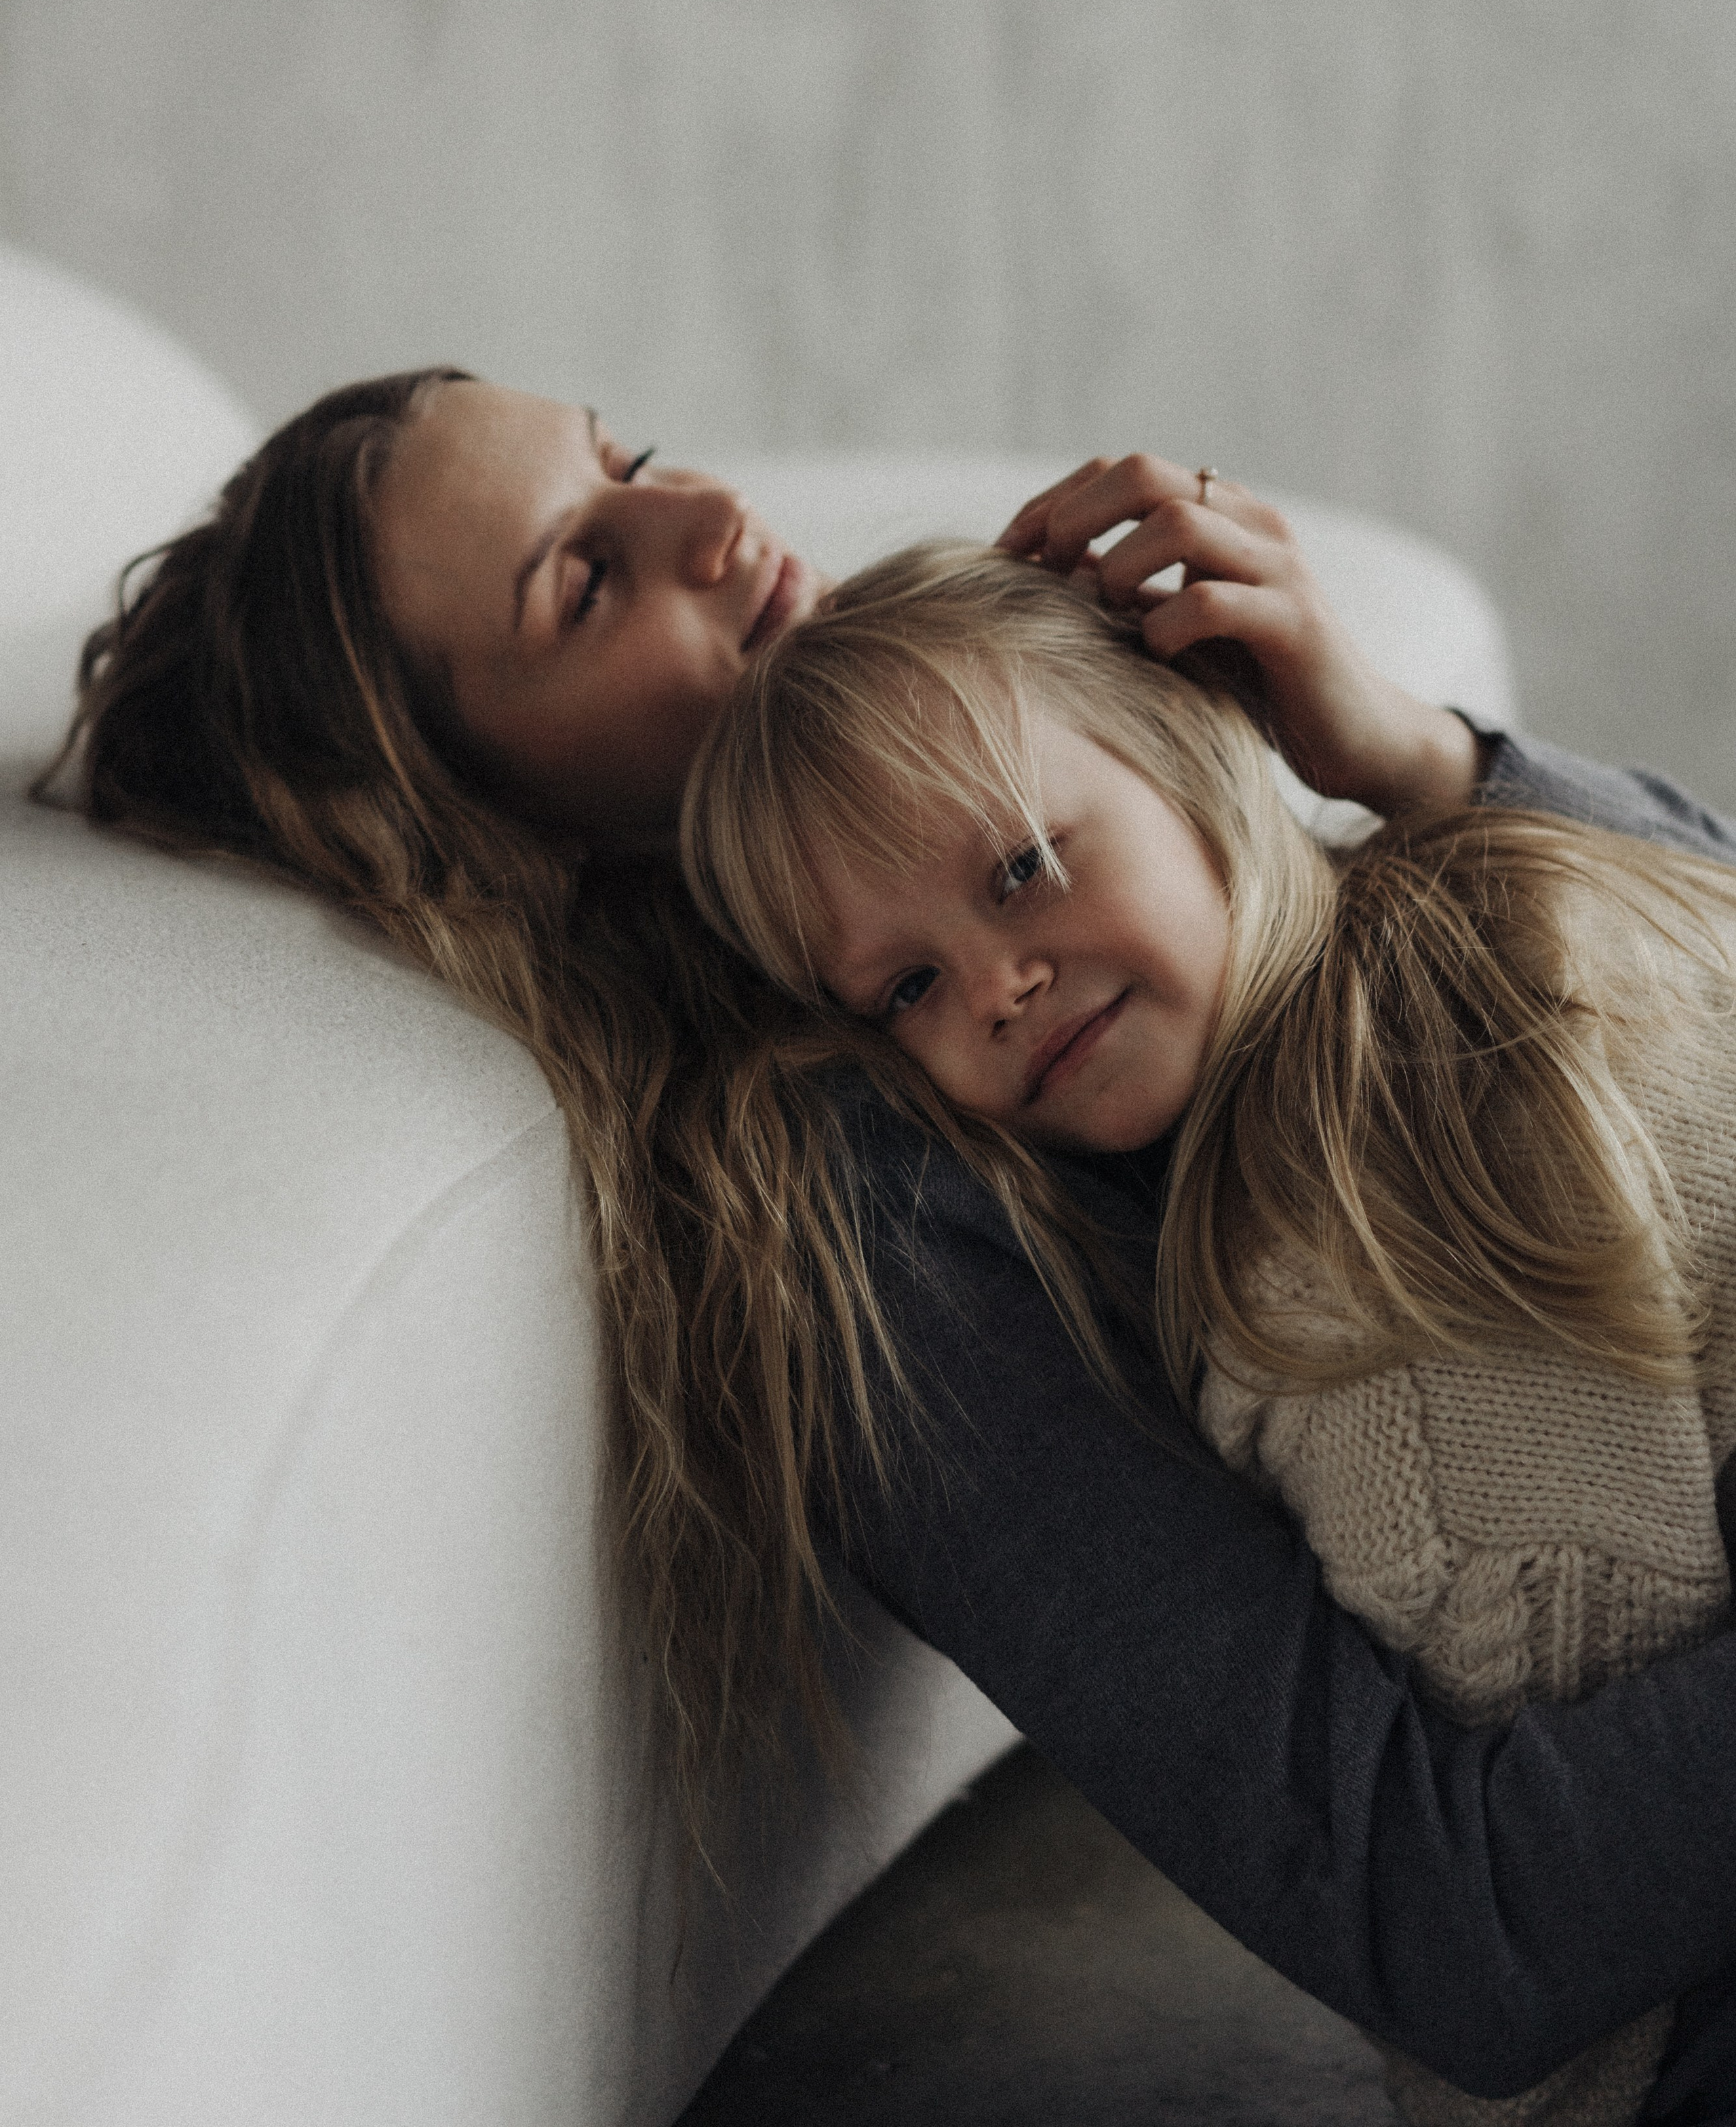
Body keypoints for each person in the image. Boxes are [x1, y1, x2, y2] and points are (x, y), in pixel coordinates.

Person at [42, 368, 1736, 2124]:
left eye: (626, 460)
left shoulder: (1076, 805)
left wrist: (1415, 759)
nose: (710, 518)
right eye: (585, 578)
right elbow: (1446, 1913)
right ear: (497, 833)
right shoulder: (878, 1220)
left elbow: (1700, 980)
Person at [680, 536, 1736, 2126]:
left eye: (1026, 863)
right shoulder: (1318, 1279)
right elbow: (1512, 1882)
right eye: (904, 989)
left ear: (1190, 747)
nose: (999, 985)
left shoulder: (1517, 893)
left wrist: (1420, 752)